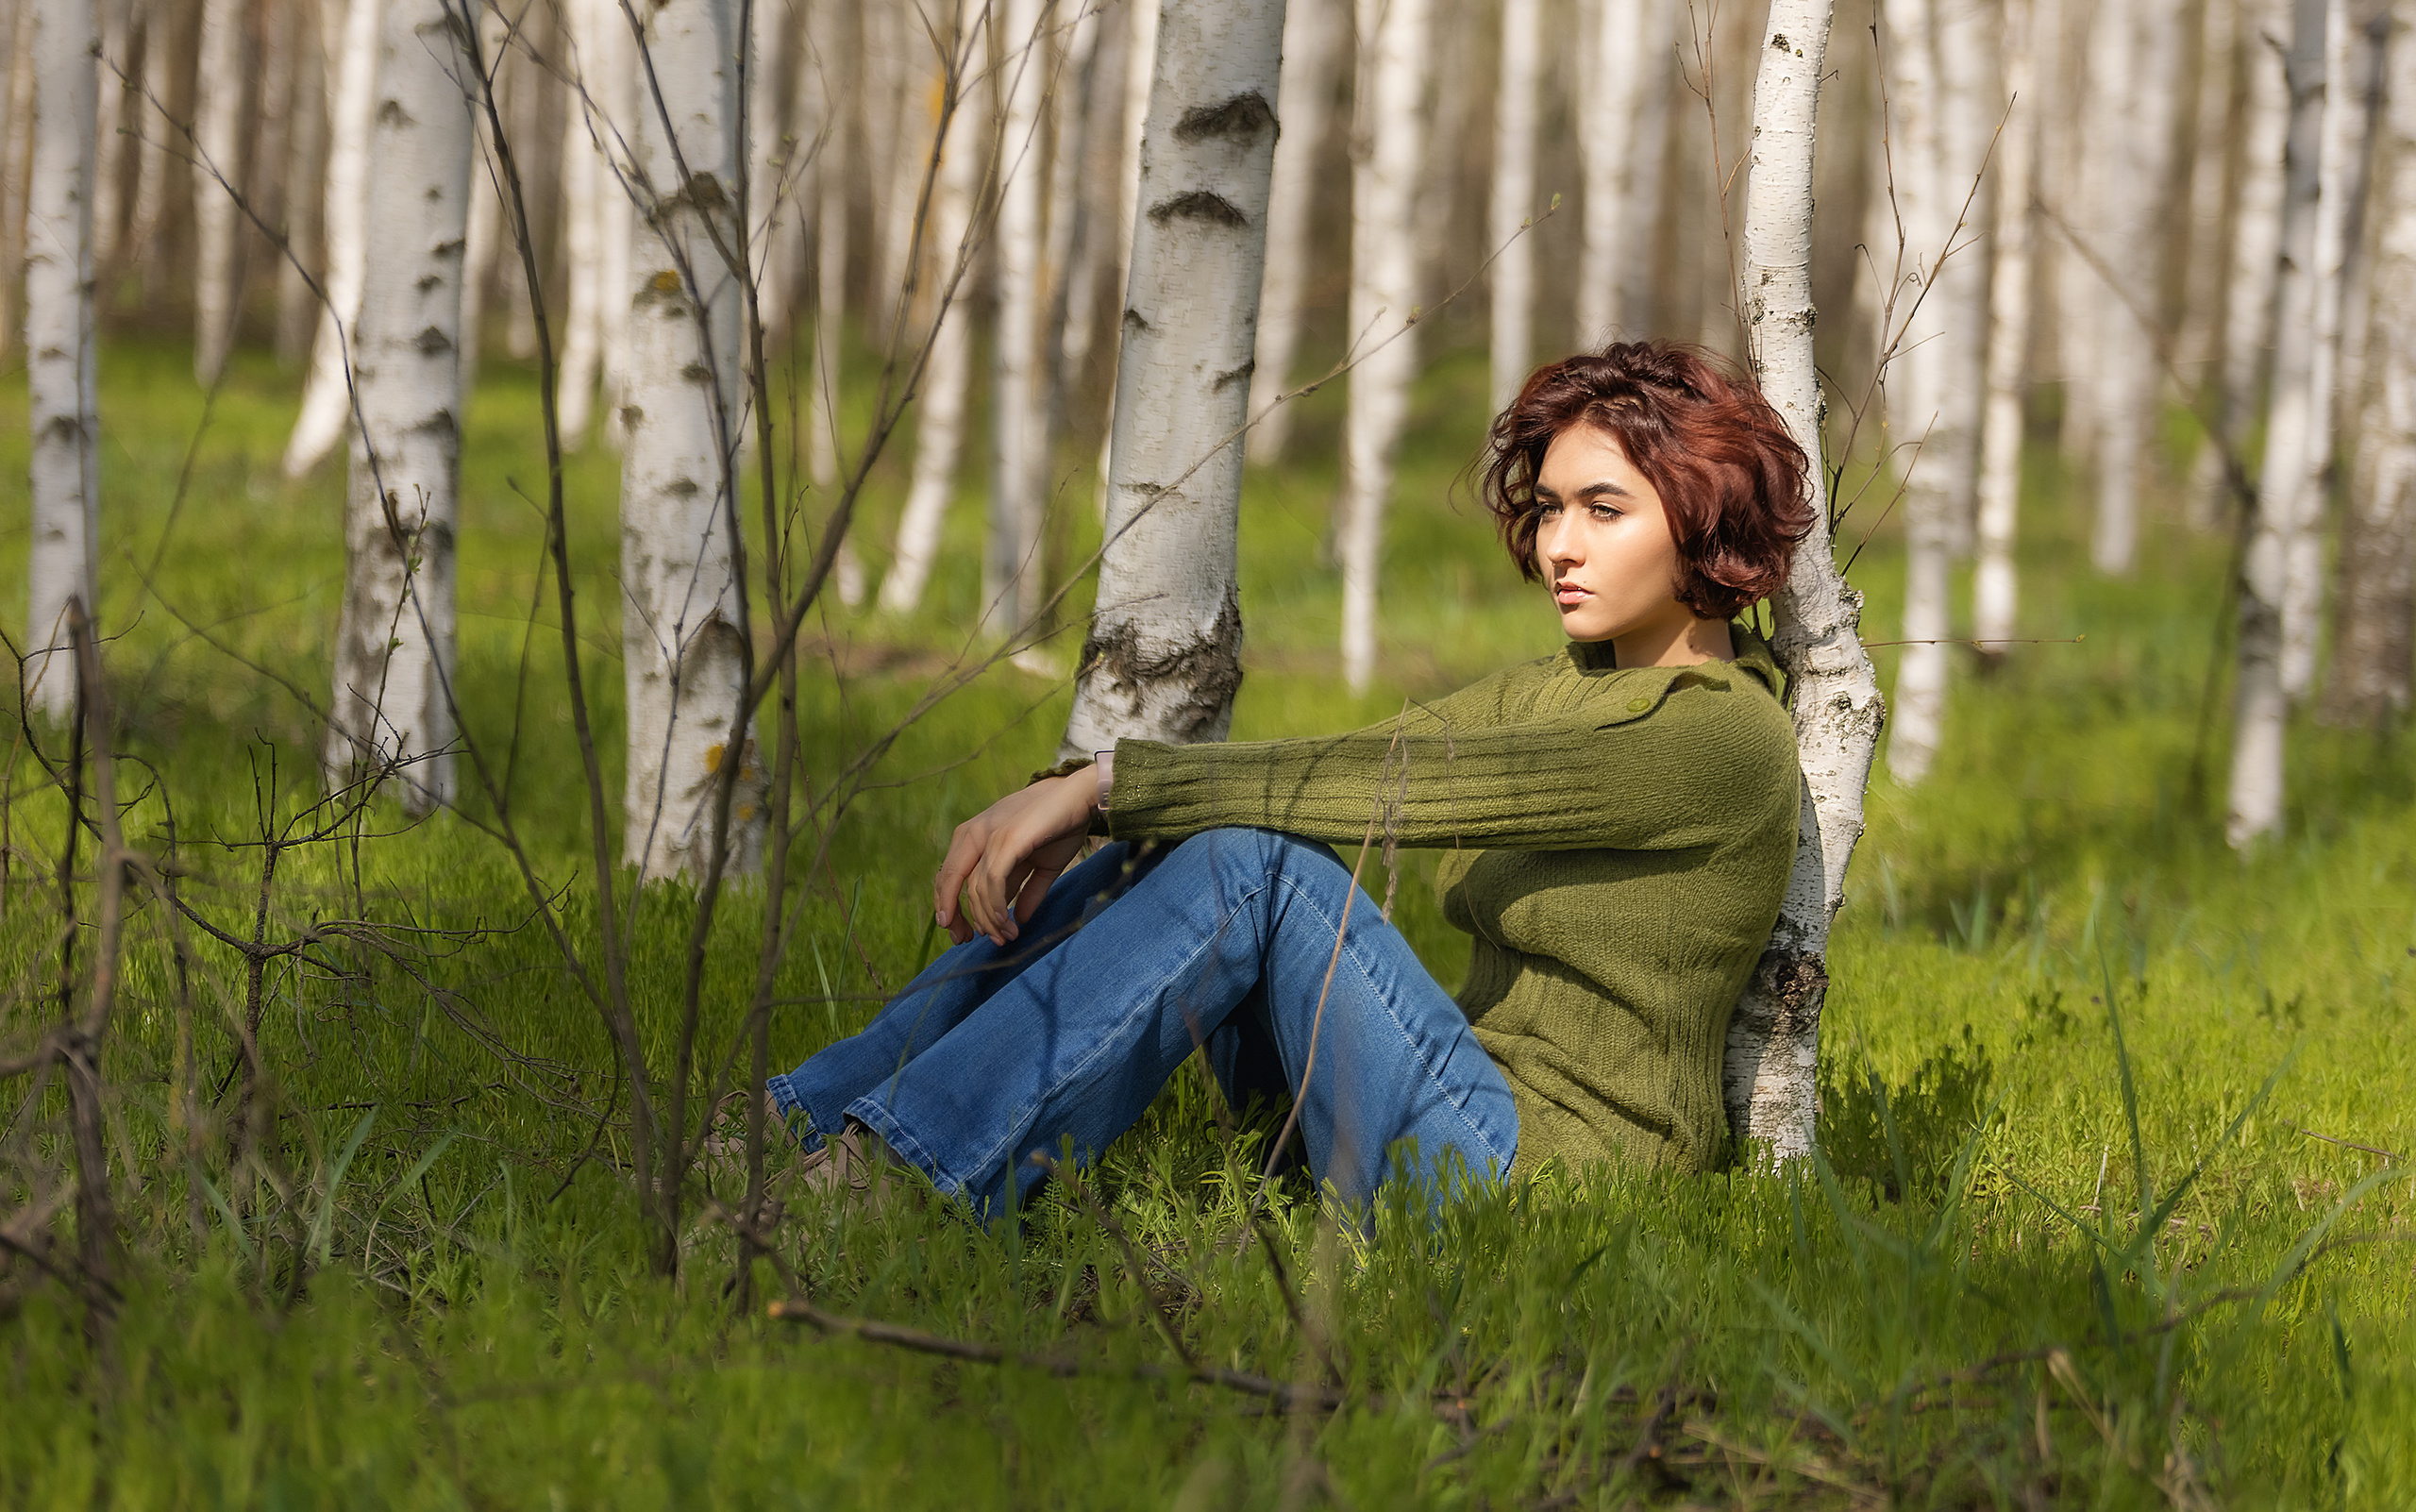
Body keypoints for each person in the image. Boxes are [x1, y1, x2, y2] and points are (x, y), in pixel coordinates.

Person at [764, 341, 1813, 1218]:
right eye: (1547, 509)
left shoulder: (1719, 737)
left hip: (1538, 1180)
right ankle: (804, 1121)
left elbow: (1389, 787)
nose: (1558, 548)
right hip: (1443, 1096)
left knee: (1254, 862)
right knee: (1196, 842)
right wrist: (1104, 802)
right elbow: (1337, 764)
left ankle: (898, 1175)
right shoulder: (1560, 687)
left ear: (1702, 516)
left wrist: (1098, 789)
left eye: (1604, 510)